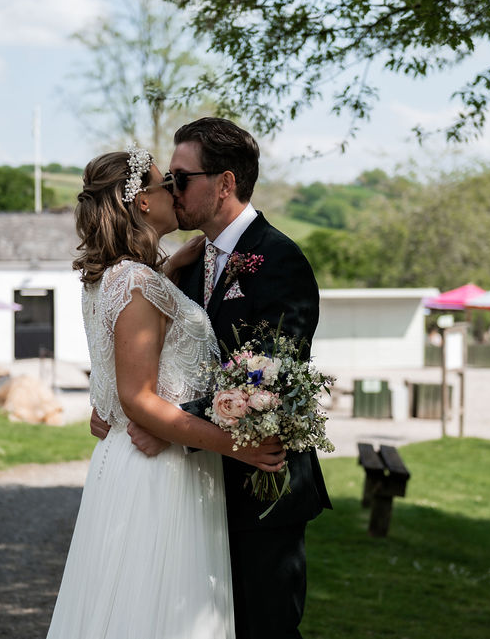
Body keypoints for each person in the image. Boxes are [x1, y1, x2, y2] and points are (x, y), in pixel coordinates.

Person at [93, 118, 332, 639]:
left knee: (260, 628)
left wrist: (165, 421)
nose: (172, 190)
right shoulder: (189, 262)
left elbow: (269, 380)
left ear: (224, 183)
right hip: (193, 488)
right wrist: (121, 401)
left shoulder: (279, 260)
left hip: (259, 488)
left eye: (182, 178)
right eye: (169, 180)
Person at [46, 148, 286, 639]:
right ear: (141, 203)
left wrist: (172, 267)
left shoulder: (121, 277)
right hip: (159, 471)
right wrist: (237, 446)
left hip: (139, 459)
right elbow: (138, 399)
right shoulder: (135, 282)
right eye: (165, 183)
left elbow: (127, 367)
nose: (175, 191)